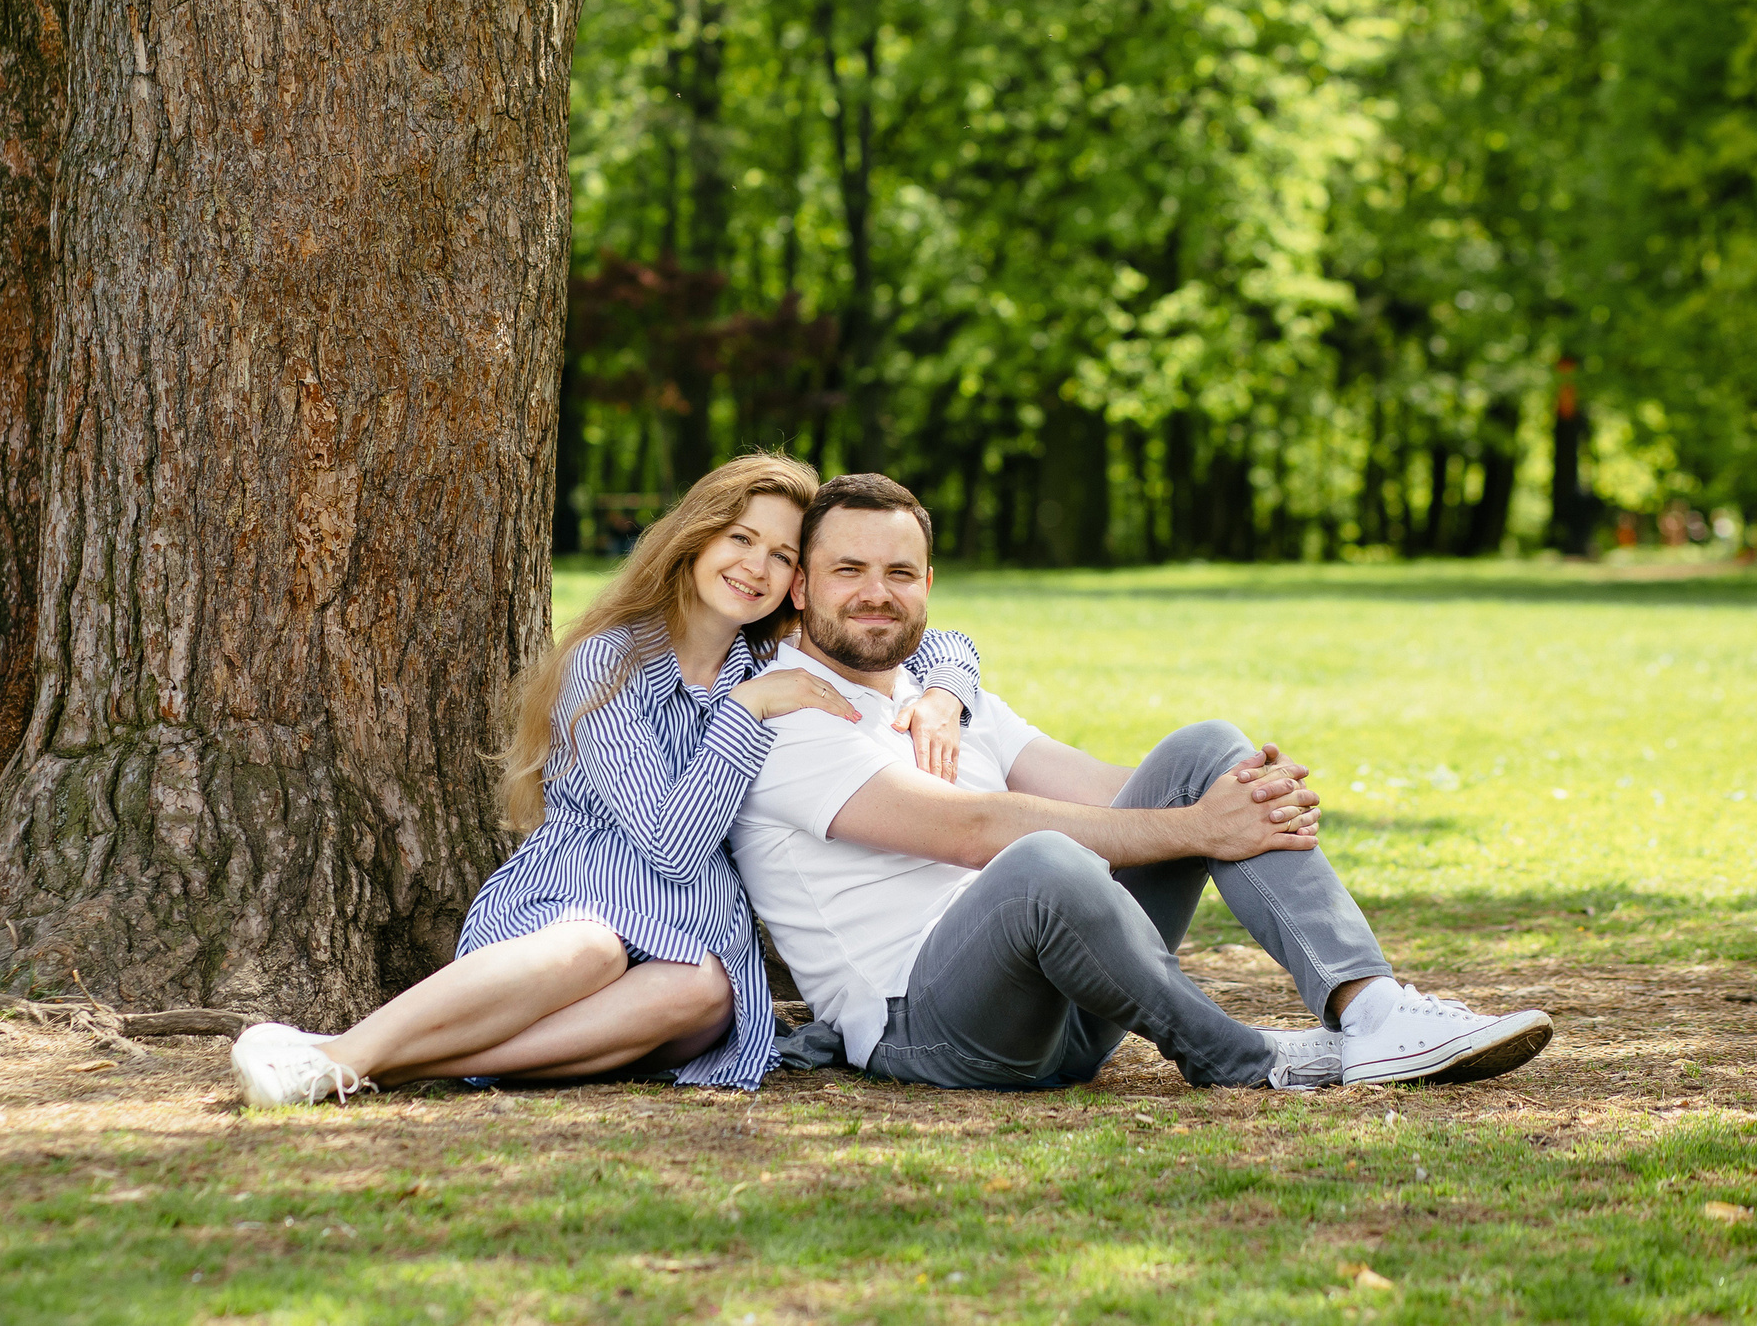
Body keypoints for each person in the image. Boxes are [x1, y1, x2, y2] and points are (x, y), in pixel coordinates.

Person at [731, 473, 1554, 1093]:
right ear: (802, 586)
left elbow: (1106, 787)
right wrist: (1202, 828)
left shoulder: (939, 696)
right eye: (849, 570)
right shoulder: (784, 717)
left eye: (900, 573)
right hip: (934, 1026)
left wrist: (1245, 799)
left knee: (1208, 749)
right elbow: (975, 829)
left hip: (1076, 1005)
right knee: (1041, 859)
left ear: (929, 587)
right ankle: (1246, 1058)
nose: (877, 593)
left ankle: (1373, 1012)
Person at [230, 453, 987, 1106]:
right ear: (696, 537)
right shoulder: (612, 662)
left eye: (784, 555)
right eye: (740, 537)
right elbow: (670, 844)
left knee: (704, 991)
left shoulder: (766, 658)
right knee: (591, 949)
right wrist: (747, 713)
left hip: (691, 929)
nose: (757, 566)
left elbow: (944, 637)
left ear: (798, 581)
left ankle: (377, 1064)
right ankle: (341, 1053)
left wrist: (943, 696)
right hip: (581, 897)